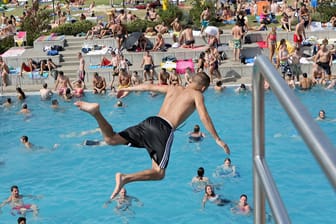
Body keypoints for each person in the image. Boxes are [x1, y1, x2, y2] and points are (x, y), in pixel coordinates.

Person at [74, 71, 230, 200]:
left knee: (111, 139)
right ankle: (125, 178)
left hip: (150, 121)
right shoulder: (197, 95)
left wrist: (130, 89)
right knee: (159, 173)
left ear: (191, 80)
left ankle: (96, 113)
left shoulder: (174, 88)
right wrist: (217, 139)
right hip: (164, 129)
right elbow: (204, 117)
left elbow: (149, 86)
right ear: (203, 88)